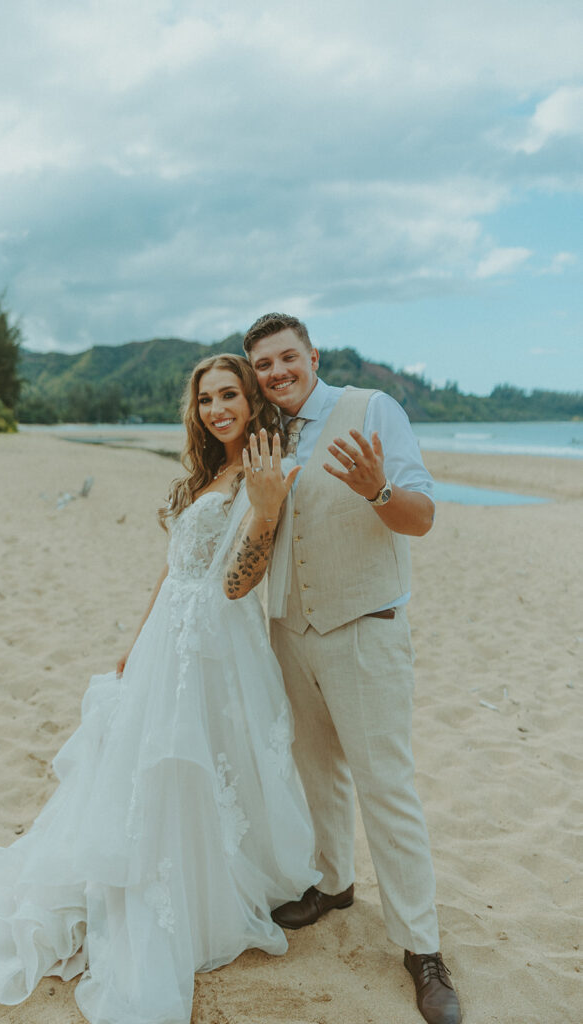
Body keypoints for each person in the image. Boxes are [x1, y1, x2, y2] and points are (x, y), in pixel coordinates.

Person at [0, 354, 319, 1024]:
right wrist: (137, 639)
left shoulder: (266, 471)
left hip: (215, 647)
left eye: (229, 396)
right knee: (147, 769)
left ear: (251, 402)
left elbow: (238, 582)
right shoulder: (207, 471)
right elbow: (173, 565)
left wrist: (265, 513)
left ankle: (200, 887)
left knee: (200, 766)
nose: (216, 409)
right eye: (206, 398)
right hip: (167, 643)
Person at [243, 313, 462, 1024]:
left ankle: (421, 948)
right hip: (290, 630)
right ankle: (334, 885)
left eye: (285, 358)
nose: (276, 373)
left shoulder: (371, 408)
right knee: (315, 773)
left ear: (311, 356)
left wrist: (375, 490)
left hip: (364, 629)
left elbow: (422, 518)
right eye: (263, 365)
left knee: (385, 788)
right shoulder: (264, 434)